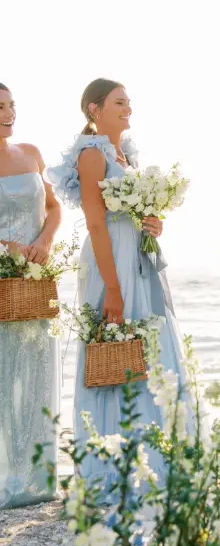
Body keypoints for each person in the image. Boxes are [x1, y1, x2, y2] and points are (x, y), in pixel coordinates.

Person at [48, 79, 192, 482]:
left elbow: (135, 210)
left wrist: (153, 222)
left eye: (128, 101)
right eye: (119, 102)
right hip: (108, 260)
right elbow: (95, 223)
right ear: (94, 110)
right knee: (112, 350)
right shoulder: (92, 155)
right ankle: (109, 468)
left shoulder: (126, 154)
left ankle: (154, 458)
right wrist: (112, 288)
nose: (128, 108)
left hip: (138, 257)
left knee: (148, 349)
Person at [0, 83, 61, 508]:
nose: (9, 113)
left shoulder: (31, 152)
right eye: (0, 107)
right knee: (5, 378)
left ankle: (38, 479)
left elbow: (54, 207)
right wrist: (9, 249)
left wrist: (44, 242)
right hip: (3, 281)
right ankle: (7, 476)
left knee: (37, 373)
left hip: (36, 282)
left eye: (11, 105)